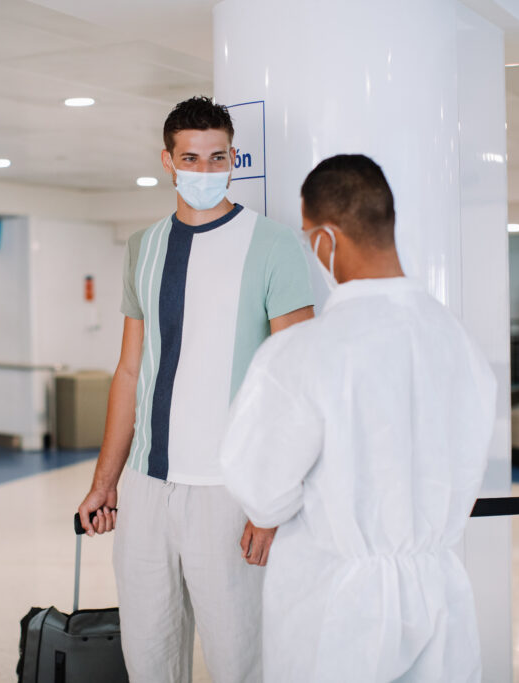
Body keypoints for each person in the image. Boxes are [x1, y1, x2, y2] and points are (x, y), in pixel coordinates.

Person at [221, 155, 497, 681]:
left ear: (327, 239)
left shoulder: (305, 350)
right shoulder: (456, 341)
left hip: (336, 603)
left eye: (306, 237)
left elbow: (262, 489)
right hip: (438, 588)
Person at [77, 96, 314, 682]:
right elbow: (130, 370)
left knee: (240, 659)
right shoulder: (143, 248)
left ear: (233, 157)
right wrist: (105, 483)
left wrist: (271, 500)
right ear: (168, 160)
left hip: (229, 489)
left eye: (218, 157)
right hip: (146, 487)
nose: (205, 171)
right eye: (192, 158)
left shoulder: (274, 244)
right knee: (149, 655)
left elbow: (300, 379)